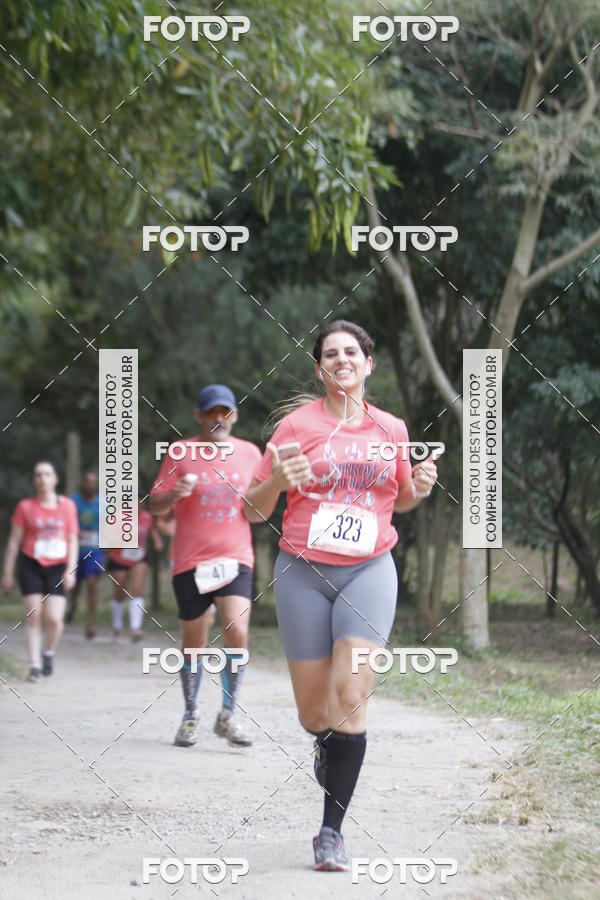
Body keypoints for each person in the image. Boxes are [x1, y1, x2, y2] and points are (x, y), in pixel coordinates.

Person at [244, 320, 438, 871]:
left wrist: (417, 489)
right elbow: (251, 511)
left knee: (350, 696)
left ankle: (331, 832)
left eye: (352, 352)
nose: (342, 359)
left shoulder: (391, 429)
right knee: (315, 713)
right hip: (303, 572)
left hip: (369, 571)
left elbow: (398, 500)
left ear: (368, 363)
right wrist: (277, 481)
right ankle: (326, 744)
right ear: (318, 368)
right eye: (331, 353)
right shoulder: (292, 428)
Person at [150, 384, 261, 749]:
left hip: (236, 557)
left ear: (235, 415)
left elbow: (259, 505)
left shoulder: (249, 453)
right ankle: (191, 713)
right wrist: (172, 495)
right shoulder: (180, 452)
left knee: (238, 630)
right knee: (194, 643)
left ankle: (228, 713)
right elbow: (154, 505)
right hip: (192, 561)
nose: (219, 419)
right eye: (211, 412)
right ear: (199, 416)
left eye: (225, 412)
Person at [1, 461, 78, 681]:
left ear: (55, 479)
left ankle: (48, 651)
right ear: (34, 480)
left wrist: (71, 570)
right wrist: (7, 573)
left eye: (47, 474)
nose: (43, 479)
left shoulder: (67, 506)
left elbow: (72, 540)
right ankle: (34, 665)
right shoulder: (25, 507)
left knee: (54, 619)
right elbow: (14, 542)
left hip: (57, 566)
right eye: (38, 475)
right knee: (34, 617)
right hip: (31, 564)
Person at [107, 495, 162, 642]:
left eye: (140, 503)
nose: (137, 506)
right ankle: (117, 625)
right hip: (119, 558)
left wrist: (156, 540)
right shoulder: (118, 517)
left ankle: (135, 629)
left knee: (137, 591)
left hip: (139, 558)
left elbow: (151, 531)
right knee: (120, 594)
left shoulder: (147, 517)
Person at [66, 471, 103, 638]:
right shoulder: (73, 501)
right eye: (88, 482)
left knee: (92, 584)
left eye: (93, 482)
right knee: (76, 587)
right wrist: (75, 532)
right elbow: (65, 521)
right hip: (75, 550)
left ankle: (90, 624)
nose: (90, 485)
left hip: (94, 551)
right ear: (83, 483)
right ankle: (73, 605)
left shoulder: (103, 503)